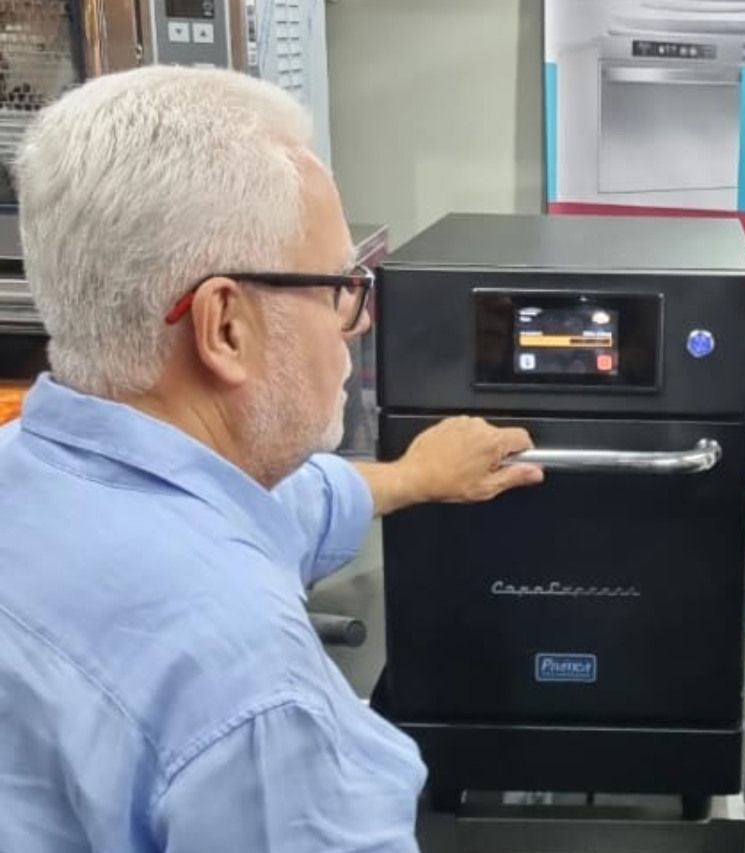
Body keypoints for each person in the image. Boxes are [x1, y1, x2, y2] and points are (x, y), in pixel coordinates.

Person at [0, 66, 544, 851]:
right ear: (225, 326)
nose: (352, 323)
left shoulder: (32, 466)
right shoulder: (256, 692)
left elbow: (272, 506)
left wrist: (411, 477)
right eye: (337, 286)